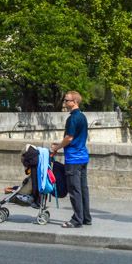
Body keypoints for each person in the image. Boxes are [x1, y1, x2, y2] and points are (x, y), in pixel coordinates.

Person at [52, 90, 92, 228]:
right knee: (83, 189)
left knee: (75, 190)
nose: (65, 102)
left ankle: (76, 220)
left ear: (74, 102)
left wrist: (57, 147)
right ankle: (86, 217)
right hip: (83, 157)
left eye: (67, 100)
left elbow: (69, 138)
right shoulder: (82, 117)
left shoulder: (73, 119)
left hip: (73, 159)